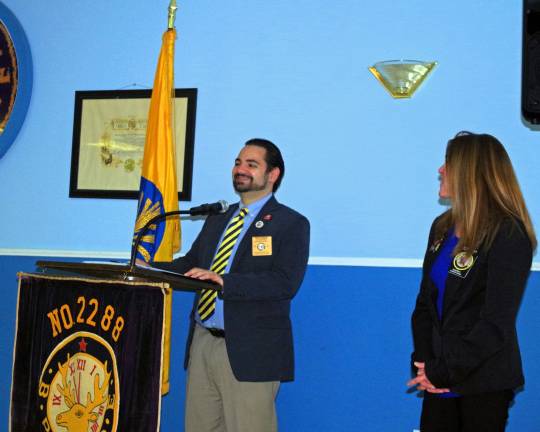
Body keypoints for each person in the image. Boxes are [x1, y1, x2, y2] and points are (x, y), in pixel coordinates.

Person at [157, 138, 310, 432]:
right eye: (238, 162)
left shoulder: (290, 223)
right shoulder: (218, 218)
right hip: (203, 342)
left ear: (273, 174)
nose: (241, 169)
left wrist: (225, 281)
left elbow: (284, 282)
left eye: (252, 164)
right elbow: (190, 265)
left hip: (250, 349)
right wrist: (146, 269)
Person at [407, 132, 536, 431]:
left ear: (471, 172)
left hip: (482, 380)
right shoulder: (442, 227)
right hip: (438, 376)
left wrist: (443, 372)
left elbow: (494, 324)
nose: (440, 170)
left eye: (448, 164)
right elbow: (425, 305)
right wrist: (425, 365)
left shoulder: (507, 234)